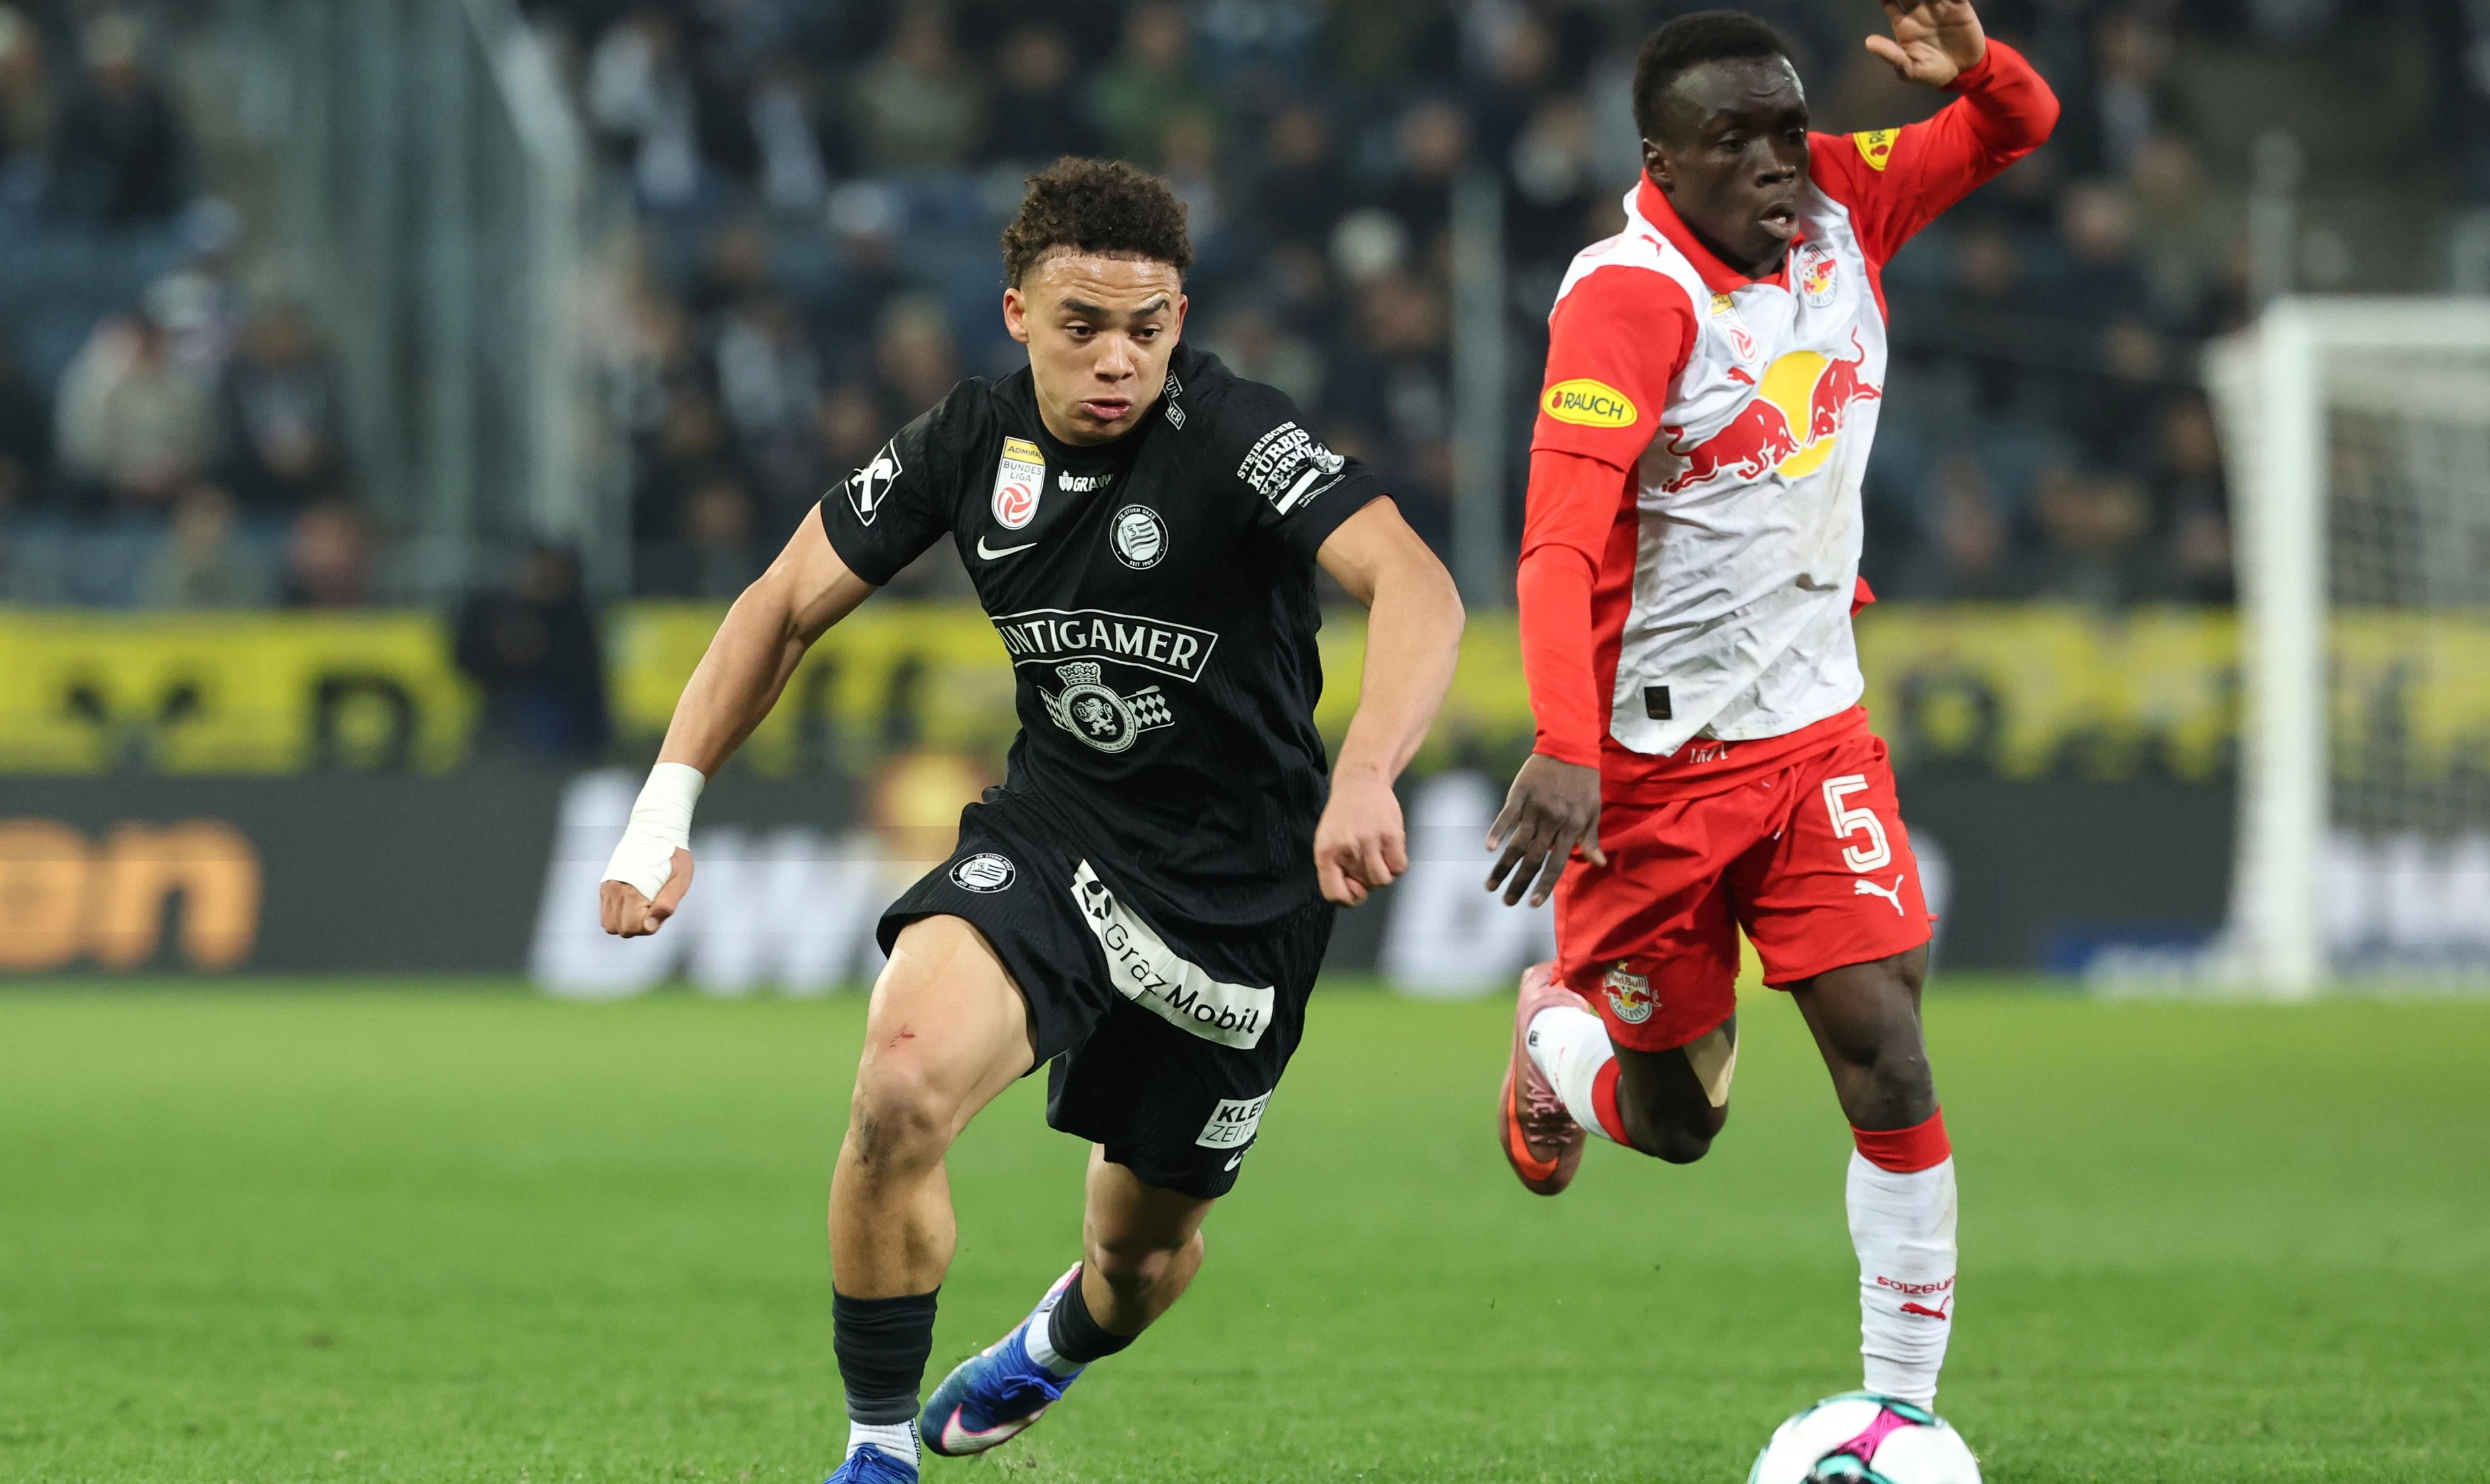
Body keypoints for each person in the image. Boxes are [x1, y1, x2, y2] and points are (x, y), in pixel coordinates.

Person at [596, 158, 1461, 1483]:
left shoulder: (1235, 434)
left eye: (1146, 328)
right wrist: (666, 805)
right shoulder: (966, 440)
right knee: (898, 1086)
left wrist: (1366, 773)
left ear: (1179, 319)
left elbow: (1414, 584)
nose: (1117, 359)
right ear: (1015, 313)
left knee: (1138, 1257)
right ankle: (875, 1451)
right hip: (1058, 838)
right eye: (1082, 325)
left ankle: (1054, 1342)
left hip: (1241, 898)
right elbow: (781, 603)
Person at [1485, 2, 2056, 1411]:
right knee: (1677, 1124)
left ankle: (1898, 1416)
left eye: (1786, 131)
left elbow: (2019, 126)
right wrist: (1564, 743)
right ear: (1659, 162)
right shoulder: (1627, 301)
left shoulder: (1839, 203)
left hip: (1813, 738)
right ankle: (1553, 1037)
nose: (1772, 161)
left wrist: (1975, 68)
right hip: (1653, 770)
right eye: (1732, 139)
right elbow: (1556, 545)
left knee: (1890, 1061)